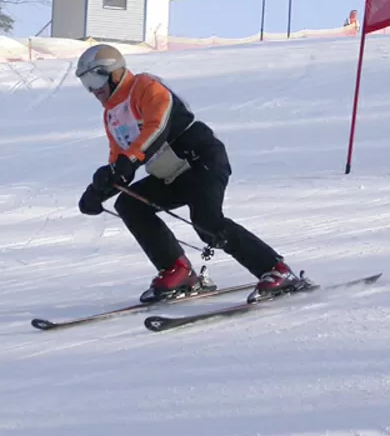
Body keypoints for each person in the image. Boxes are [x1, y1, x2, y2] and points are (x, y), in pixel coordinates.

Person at [75, 43, 306, 304]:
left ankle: (277, 270)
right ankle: (179, 271)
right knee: (129, 203)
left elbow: (157, 127)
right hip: (172, 173)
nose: (93, 89)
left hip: (201, 161)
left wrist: (129, 160)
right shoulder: (112, 115)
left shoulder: (145, 87)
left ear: (114, 73)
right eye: (86, 83)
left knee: (207, 223)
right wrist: (99, 190)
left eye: (95, 78)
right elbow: (120, 161)